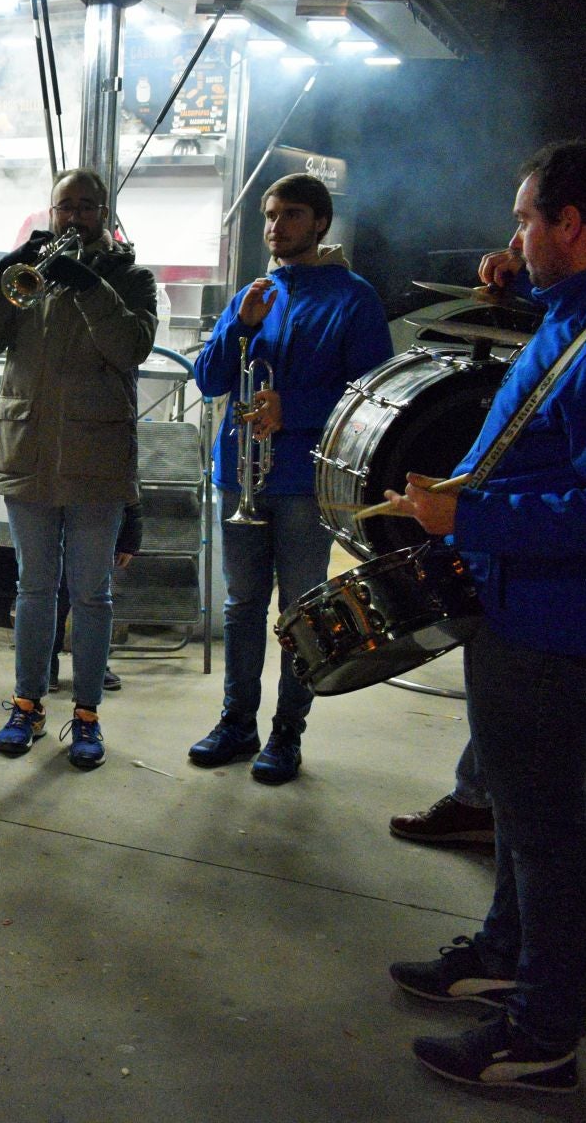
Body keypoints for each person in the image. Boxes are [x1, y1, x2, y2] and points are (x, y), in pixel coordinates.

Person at [385, 142, 586, 1092]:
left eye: (524, 219)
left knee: (549, 836)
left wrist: (472, 514)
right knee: (518, 812)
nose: (510, 236)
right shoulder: (583, 315)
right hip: (524, 605)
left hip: (562, 622)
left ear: (571, 225)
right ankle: (505, 954)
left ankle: (543, 1033)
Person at [187, 172, 390, 783]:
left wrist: (292, 410)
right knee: (242, 606)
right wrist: (240, 326)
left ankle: (287, 733)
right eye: (271, 216)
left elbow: (369, 398)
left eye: (291, 216)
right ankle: (236, 724)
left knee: (301, 612)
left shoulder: (355, 299)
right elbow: (210, 379)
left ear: (321, 222)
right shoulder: (254, 293)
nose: (276, 227)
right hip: (240, 476)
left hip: (303, 482)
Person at [0, 169, 157, 769]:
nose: (73, 217)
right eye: (63, 207)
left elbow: (130, 348)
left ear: (105, 212)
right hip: (26, 452)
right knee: (33, 589)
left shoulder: (131, 278)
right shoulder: (31, 278)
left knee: (92, 595)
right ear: (50, 211)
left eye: (85, 207)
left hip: (96, 460)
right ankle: (27, 703)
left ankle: (88, 715)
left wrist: (90, 286)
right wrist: (2, 274)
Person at [53, 501, 143, 693]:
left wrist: (129, 540)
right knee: (54, 600)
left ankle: (93, 670)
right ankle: (47, 666)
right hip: (56, 515)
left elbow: (131, 487)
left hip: (100, 516)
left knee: (94, 601)